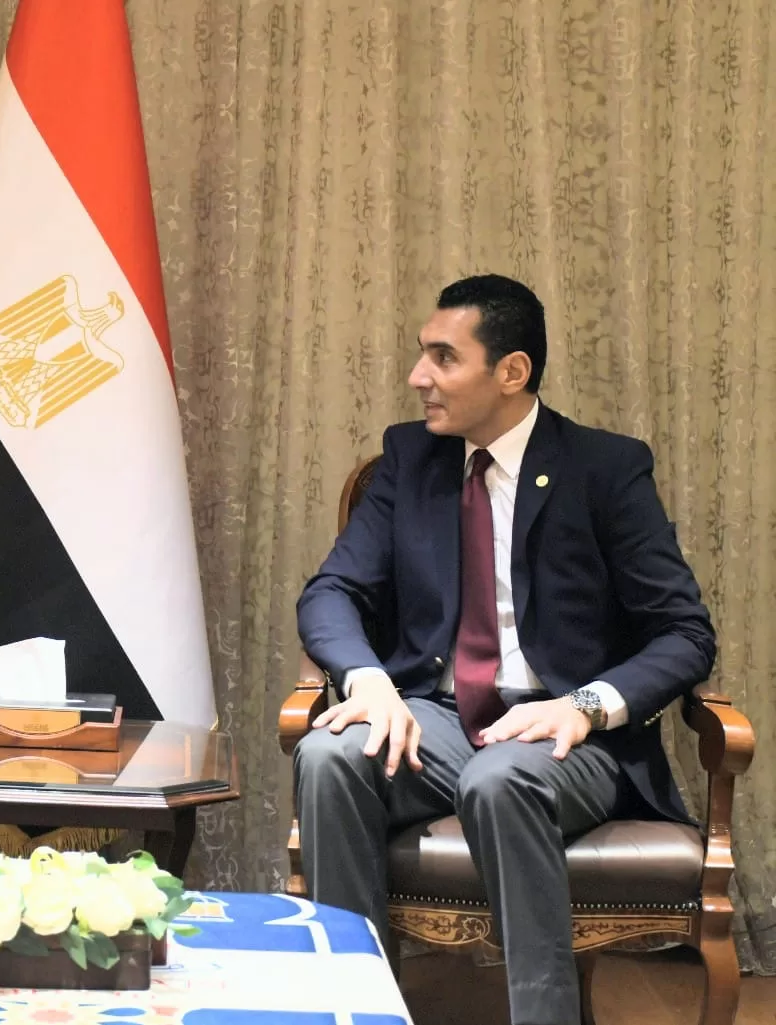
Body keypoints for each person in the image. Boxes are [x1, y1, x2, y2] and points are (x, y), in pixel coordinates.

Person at [294, 274, 715, 1025]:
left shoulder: (604, 469)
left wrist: (585, 706)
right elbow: (331, 591)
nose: (418, 376)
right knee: (328, 756)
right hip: (437, 720)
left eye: (443, 357)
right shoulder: (410, 459)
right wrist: (368, 681)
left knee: (501, 778)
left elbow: (686, 633)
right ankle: (354, 1011)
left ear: (511, 371)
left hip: (569, 735)